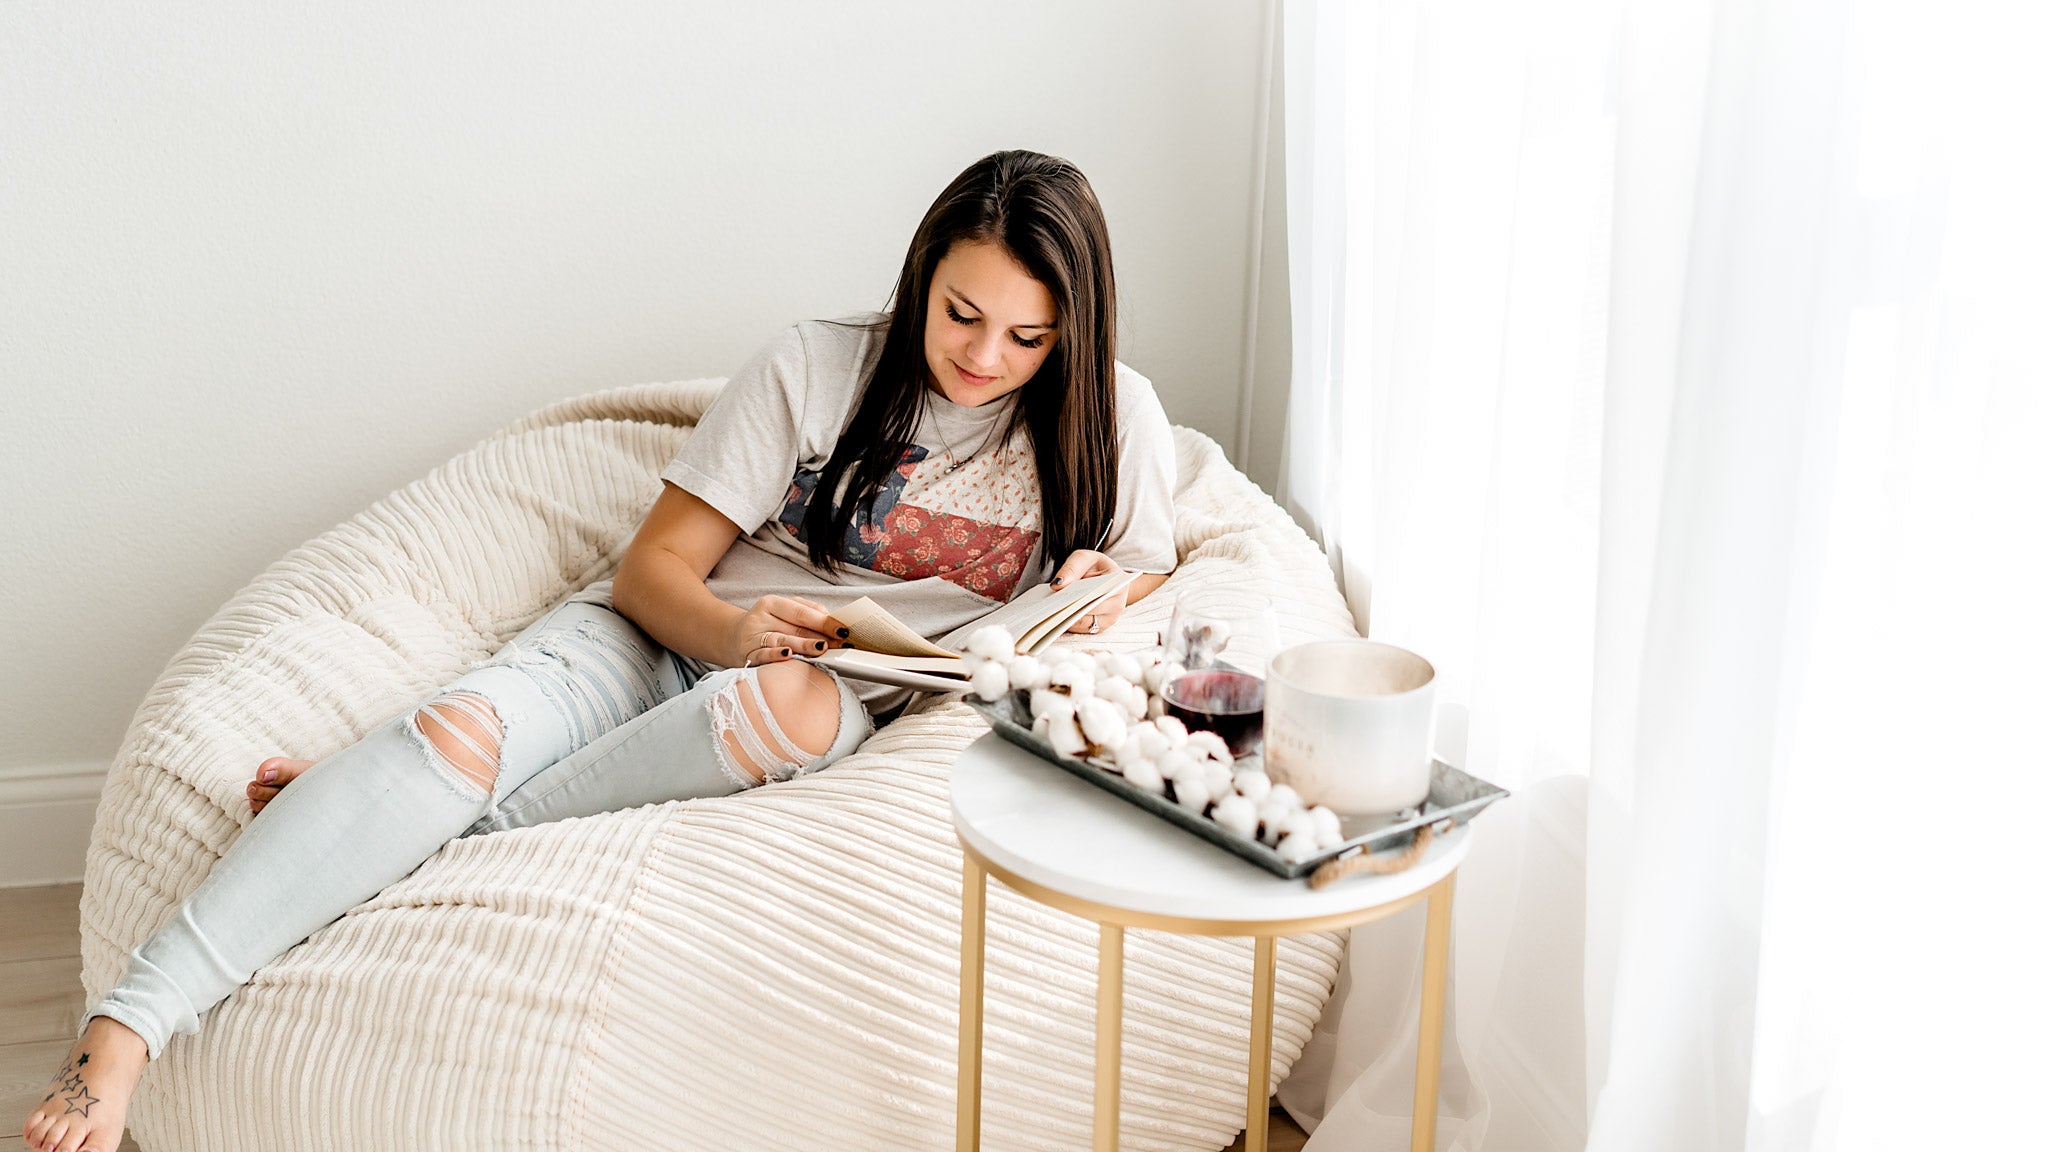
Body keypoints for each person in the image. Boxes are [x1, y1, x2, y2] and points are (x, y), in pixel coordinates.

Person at [21, 147, 1179, 1152]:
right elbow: (649, 573)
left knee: (792, 710)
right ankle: (127, 1027)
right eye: (959, 315)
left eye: (1028, 336)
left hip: (814, 691)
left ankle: (365, 816)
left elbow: (1147, 570)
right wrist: (729, 630)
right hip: (658, 638)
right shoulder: (814, 367)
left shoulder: (1111, 420)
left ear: (1073, 330)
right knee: (459, 731)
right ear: (921, 279)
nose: (982, 358)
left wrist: (1100, 583)